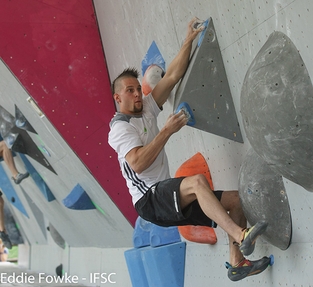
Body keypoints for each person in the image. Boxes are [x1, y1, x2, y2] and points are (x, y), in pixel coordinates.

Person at [108, 18, 270, 281]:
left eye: (138, 89)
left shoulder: (146, 108)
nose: (137, 94)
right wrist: (167, 131)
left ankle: (237, 261)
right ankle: (242, 235)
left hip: (164, 192)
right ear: (118, 98)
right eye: (130, 91)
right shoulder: (120, 129)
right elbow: (137, 163)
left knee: (236, 201)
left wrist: (188, 40)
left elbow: (172, 75)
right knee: (196, 182)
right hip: (149, 200)